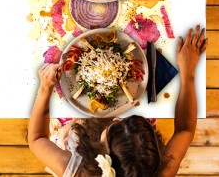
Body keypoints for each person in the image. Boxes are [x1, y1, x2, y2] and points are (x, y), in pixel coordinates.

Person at [28, 26, 207, 176]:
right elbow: (185, 130)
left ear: (103, 156)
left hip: (76, 133)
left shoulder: (78, 171)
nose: (118, 118)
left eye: (115, 126)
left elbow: (37, 138)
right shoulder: (159, 171)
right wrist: (188, 72)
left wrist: (45, 88)